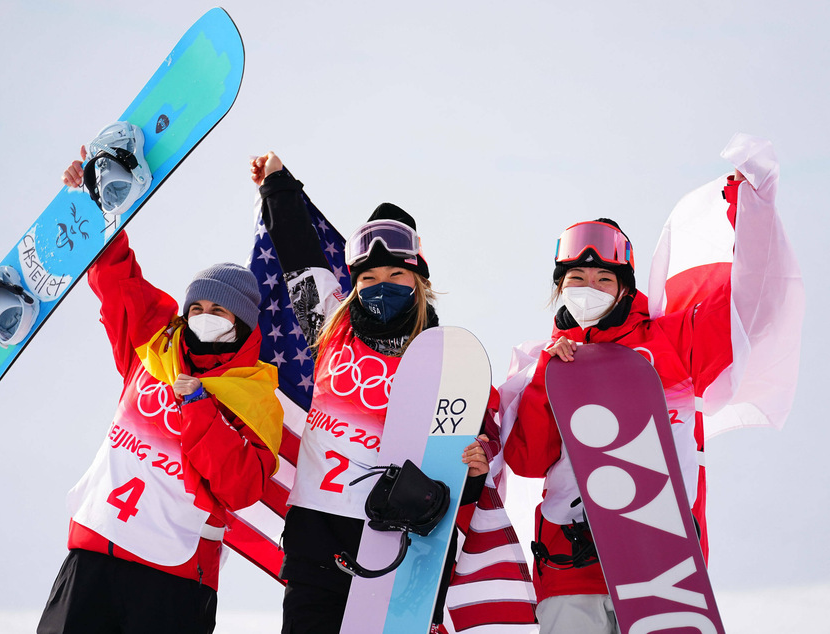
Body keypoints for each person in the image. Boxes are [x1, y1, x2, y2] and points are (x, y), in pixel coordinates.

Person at [500, 134, 803, 633]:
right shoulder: (541, 362)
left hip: (663, 565)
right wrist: (546, 384)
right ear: (559, 287)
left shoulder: (671, 341)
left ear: (625, 286)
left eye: (603, 280)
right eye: (576, 279)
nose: (589, 290)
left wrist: (751, 211)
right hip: (568, 566)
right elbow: (528, 462)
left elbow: (753, 310)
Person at [250, 152, 507, 634]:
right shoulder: (330, 328)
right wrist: (277, 185)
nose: (380, 286)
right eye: (368, 278)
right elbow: (300, 259)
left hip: (400, 547)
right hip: (315, 541)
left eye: (395, 277)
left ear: (420, 283)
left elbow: (460, 462)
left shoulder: (446, 363)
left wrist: (475, 468)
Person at [37, 151, 283, 634]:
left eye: (220, 310)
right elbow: (117, 279)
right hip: (95, 550)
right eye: (198, 306)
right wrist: (90, 204)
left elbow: (240, 487)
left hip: (172, 578)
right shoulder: (154, 345)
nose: (204, 316)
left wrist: (199, 410)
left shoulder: (255, 399)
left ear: (243, 325)